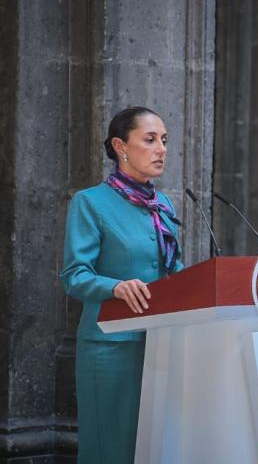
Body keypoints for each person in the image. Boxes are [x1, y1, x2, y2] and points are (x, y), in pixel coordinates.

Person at [60, 107, 183, 463]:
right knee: (110, 449)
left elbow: (173, 268)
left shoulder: (163, 204)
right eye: (150, 139)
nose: (161, 148)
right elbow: (74, 275)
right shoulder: (90, 202)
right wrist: (115, 287)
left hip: (160, 344)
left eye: (164, 140)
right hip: (109, 348)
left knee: (152, 450)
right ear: (120, 146)